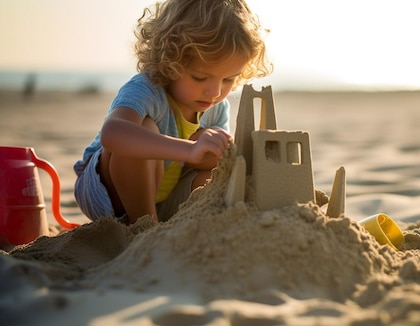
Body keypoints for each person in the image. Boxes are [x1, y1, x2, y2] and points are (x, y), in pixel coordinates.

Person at [74, 0, 272, 224]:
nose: (215, 91)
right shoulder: (147, 89)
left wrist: (212, 151)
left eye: (228, 79)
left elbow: (209, 162)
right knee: (145, 128)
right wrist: (189, 150)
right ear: (170, 60)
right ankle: (143, 225)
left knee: (214, 153)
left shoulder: (215, 107)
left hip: (166, 194)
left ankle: (171, 222)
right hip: (107, 193)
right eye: (199, 77)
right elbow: (112, 134)